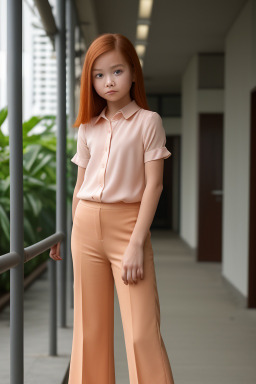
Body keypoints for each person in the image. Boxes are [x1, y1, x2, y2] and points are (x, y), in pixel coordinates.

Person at [49, 33, 175, 384]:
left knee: (141, 334)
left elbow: (155, 185)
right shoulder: (87, 127)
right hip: (86, 228)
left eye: (117, 71)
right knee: (89, 333)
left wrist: (137, 242)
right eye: (99, 75)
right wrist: (68, 227)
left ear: (133, 73)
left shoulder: (149, 122)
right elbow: (79, 186)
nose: (108, 82)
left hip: (128, 228)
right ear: (90, 80)